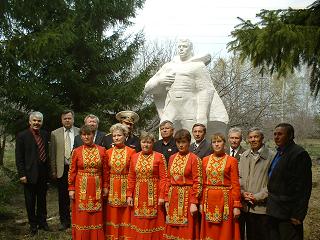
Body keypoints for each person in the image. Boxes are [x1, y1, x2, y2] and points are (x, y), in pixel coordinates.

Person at [144, 39, 228, 135]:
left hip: (189, 107)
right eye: (179, 46)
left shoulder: (198, 66)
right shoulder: (169, 66)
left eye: (184, 46)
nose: (181, 49)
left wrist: (201, 116)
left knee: (192, 137)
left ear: (190, 48)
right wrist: (159, 81)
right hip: (170, 106)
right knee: (164, 134)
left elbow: (205, 90)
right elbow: (147, 88)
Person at [267, 123, 312, 240]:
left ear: (290, 135)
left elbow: (304, 187)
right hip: (274, 211)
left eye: (280, 134)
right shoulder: (279, 152)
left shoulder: (299, 154)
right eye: (275, 134)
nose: (276, 137)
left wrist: (298, 214)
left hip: (288, 213)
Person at [68, 125, 108, 240]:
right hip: (81, 187)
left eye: (89, 134)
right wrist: (71, 188)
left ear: (93, 135)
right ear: (81, 136)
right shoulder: (76, 151)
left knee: (96, 214)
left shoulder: (102, 150)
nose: (86, 137)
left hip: (97, 187)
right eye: (84, 135)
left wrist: (105, 186)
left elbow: (105, 170)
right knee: (82, 215)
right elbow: (72, 171)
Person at [200, 133, 241, 240]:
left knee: (224, 230)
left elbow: (235, 184)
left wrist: (236, 205)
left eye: (219, 142)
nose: (217, 144)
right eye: (214, 142)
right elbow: (202, 183)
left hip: (225, 202)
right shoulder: (205, 160)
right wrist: (200, 202)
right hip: (208, 201)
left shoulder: (232, 161)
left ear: (224, 144)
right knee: (209, 230)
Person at [15, 111, 51, 236]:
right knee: (30, 201)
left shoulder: (45, 134)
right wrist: (22, 174)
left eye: (39, 121)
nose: (37, 123)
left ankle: (43, 222)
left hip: (43, 173)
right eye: (34, 120)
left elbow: (46, 154)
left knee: (42, 200)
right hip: (29, 174)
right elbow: (19, 158)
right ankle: (33, 226)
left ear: (42, 122)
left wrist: (49, 173)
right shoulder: (22, 136)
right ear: (30, 122)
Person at [127, 132, 167, 239]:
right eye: (143, 142)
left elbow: (164, 178)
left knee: (154, 221)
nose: (146, 145)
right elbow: (131, 177)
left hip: (154, 194)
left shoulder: (160, 157)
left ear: (153, 143)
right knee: (138, 221)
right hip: (138, 195)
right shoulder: (134, 157)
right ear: (140, 143)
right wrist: (129, 194)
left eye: (149, 142)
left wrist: (162, 196)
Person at [164, 129, 202, 240]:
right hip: (173, 198)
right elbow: (168, 179)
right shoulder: (171, 158)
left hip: (187, 199)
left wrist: (194, 202)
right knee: (172, 228)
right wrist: (166, 198)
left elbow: (198, 182)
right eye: (178, 142)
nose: (181, 145)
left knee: (186, 230)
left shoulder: (194, 159)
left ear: (189, 142)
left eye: (183, 142)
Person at [239, 127, 275, 240]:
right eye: (250, 137)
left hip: (262, 208)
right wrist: (242, 193)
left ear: (262, 138)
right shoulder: (244, 156)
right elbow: (239, 178)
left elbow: (273, 183)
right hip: (246, 206)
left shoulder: (272, 156)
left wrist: (257, 197)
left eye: (256, 137)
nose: (253, 139)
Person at [104, 123, 136, 239]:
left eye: (119, 135)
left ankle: (125, 236)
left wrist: (130, 191)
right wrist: (106, 186)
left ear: (125, 136)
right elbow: (106, 172)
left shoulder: (132, 152)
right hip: (113, 185)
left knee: (125, 212)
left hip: (126, 185)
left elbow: (133, 173)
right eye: (114, 136)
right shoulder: (108, 152)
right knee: (113, 212)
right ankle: (113, 236)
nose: (116, 138)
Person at [50, 109, 79, 231]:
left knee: (77, 196)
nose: (67, 120)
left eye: (69, 118)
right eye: (65, 118)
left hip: (77, 169)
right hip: (62, 169)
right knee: (63, 197)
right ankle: (64, 221)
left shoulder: (80, 131)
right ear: (61, 120)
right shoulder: (55, 133)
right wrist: (53, 170)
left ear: (73, 119)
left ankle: (77, 221)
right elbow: (52, 154)